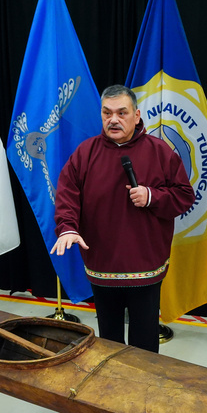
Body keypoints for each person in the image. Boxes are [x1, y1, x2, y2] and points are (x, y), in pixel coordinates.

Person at [51, 85, 195, 352]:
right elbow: (67, 194)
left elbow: (185, 196)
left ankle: (144, 389)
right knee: (108, 338)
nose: (113, 120)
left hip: (145, 264)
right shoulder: (86, 152)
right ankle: (110, 388)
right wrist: (68, 227)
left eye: (121, 113)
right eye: (107, 113)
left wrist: (152, 196)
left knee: (144, 339)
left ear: (137, 115)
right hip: (102, 264)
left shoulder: (160, 151)